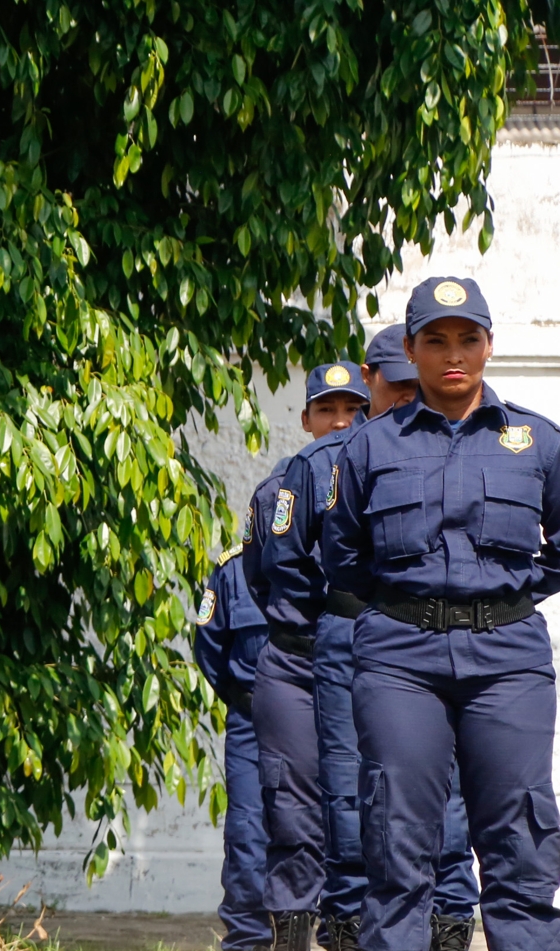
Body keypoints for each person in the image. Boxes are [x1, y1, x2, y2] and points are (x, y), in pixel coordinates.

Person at [324, 277, 560, 950]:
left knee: (520, 838)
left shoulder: (537, 441)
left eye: (467, 338)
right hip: (400, 659)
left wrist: (501, 599)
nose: (452, 354)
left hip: (508, 661)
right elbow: (344, 556)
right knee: (398, 839)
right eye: (436, 340)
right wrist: (410, 607)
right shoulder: (369, 446)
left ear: (490, 345)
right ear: (410, 349)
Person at [262, 333, 478, 951]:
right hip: (350, 630)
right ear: (372, 380)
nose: (408, 396)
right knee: (350, 784)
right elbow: (282, 558)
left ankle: (449, 920)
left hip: (436, 634)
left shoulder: (460, 445)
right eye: (397, 385)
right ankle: (354, 924)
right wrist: (338, 610)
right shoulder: (329, 458)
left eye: (415, 386)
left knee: (446, 783)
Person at [245, 364, 369, 949]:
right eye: (327, 410)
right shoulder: (277, 491)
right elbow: (260, 578)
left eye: (353, 409)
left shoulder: (383, 479)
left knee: (364, 806)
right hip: (295, 663)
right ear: (305, 420)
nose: (340, 421)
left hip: (366, 662)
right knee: (292, 812)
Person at [194, 540, 272, 951]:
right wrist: (246, 700)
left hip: (322, 720)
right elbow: (209, 650)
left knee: (338, 830)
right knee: (247, 837)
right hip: (251, 723)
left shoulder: (334, 557)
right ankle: (249, 940)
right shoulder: (231, 570)